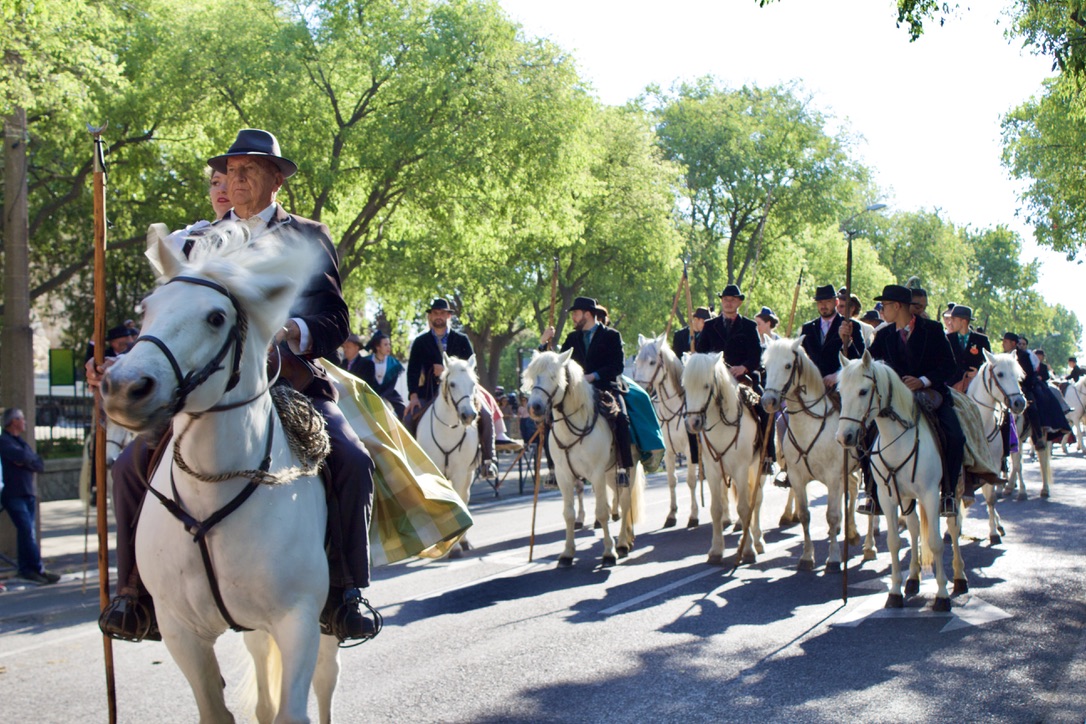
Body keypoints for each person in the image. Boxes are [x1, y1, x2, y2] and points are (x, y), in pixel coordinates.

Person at [93, 128, 378, 644]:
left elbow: (335, 319)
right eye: (231, 171)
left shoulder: (308, 236)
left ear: (275, 179)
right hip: (205, 390)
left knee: (352, 460)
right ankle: (134, 595)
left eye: (249, 170)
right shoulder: (199, 242)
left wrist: (291, 330)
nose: (236, 180)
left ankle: (346, 592)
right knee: (129, 468)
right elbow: (171, 318)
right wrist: (137, 361)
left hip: (286, 383)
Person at [861, 284, 962, 517]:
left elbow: (949, 365)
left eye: (885, 305)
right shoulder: (884, 335)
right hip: (893, 401)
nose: (882, 310)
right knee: (867, 434)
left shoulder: (933, 329)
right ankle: (872, 494)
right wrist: (846, 340)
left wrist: (923, 380)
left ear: (897, 306)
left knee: (955, 436)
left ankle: (948, 494)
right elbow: (865, 365)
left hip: (931, 395)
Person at [540, 296, 635, 486]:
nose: (573, 318)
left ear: (588, 314)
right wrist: (543, 343)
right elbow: (554, 365)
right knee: (548, 419)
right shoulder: (572, 338)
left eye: (576, 314)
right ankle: (553, 470)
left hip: (606, 388)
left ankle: (624, 468)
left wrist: (594, 376)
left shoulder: (612, 335)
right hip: (576, 393)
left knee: (622, 419)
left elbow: (617, 366)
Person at [405, 297, 497, 475]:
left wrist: (448, 370)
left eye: (442, 313)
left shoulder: (461, 339)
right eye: (435, 313)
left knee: (486, 415)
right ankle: (408, 466)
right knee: (408, 419)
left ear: (448, 316)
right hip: (430, 393)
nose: (438, 316)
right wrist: (413, 396)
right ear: (430, 316)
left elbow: (472, 367)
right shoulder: (420, 342)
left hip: (461, 392)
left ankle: (488, 460)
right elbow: (413, 372)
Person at [696, 284, 774, 472]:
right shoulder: (709, 326)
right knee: (694, 407)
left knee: (764, 406)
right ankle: (699, 456)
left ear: (739, 302)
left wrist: (744, 367)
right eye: (725, 300)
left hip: (743, 378)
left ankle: (767, 455)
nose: (728, 303)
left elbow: (757, 355)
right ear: (721, 301)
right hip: (715, 380)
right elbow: (700, 354)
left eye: (732, 300)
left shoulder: (749, 326)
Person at [0, 408, 59, 584]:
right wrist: (28, 460)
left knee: (26, 533)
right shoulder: (4, 441)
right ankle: (36, 569)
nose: (25, 421)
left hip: (28, 493)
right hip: (14, 494)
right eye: (22, 418)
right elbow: (24, 457)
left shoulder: (20, 442)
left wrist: (26, 461)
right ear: (14, 421)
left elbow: (39, 464)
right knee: (27, 531)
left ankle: (27, 568)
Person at [800, 285, 866, 388]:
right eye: (820, 302)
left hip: (840, 388)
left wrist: (838, 375)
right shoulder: (808, 328)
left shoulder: (850, 325)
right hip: (811, 388)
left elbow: (860, 360)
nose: (823, 306)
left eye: (827, 302)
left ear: (836, 302)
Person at [356, 330, 406, 418]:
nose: (389, 347)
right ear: (378, 347)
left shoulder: (393, 363)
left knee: (403, 411)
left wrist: (381, 397)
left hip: (388, 394)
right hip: (368, 394)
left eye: (389, 344)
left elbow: (391, 385)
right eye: (385, 345)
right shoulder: (366, 361)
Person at [945, 305, 990, 393]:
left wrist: (978, 372)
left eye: (953, 319)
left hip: (975, 388)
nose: (950, 323)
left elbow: (988, 364)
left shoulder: (982, 340)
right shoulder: (946, 339)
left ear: (963, 321)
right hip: (950, 388)